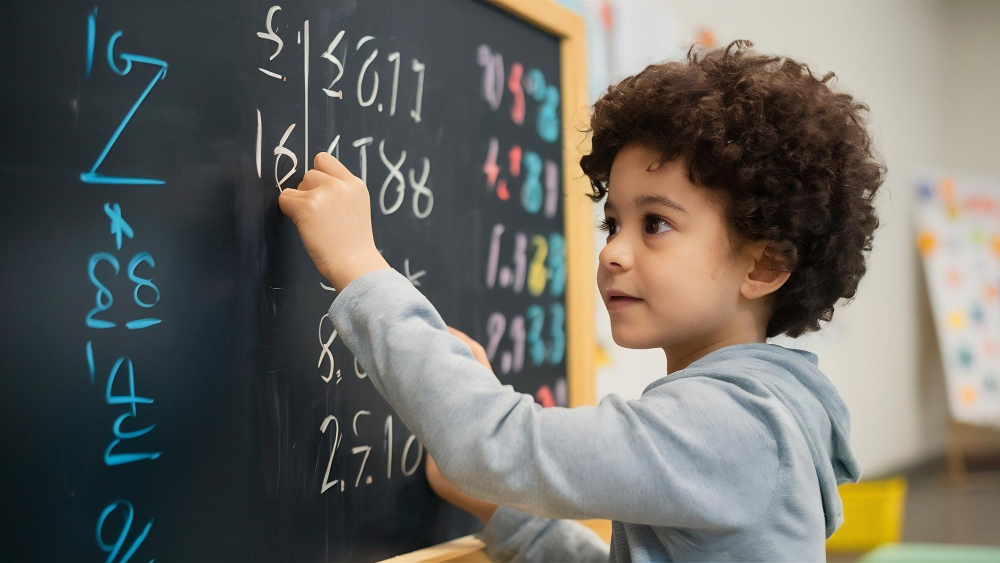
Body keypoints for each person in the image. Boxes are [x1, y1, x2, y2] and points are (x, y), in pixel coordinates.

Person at [278, 39, 884, 561]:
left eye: (656, 225)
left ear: (766, 264)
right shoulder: (761, 415)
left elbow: (492, 444)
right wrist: (509, 515)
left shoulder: (738, 426)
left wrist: (358, 265)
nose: (614, 252)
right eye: (612, 222)